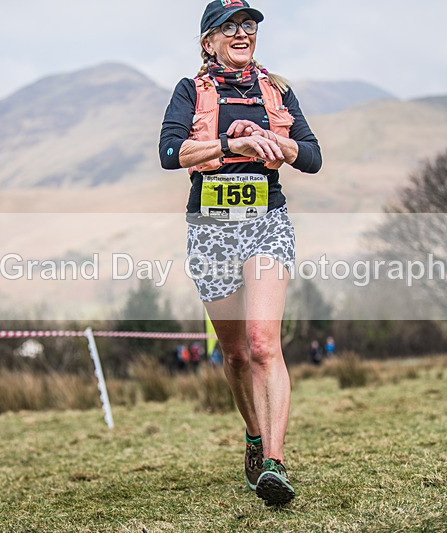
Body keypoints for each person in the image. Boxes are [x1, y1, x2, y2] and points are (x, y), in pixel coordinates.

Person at [159, 0, 321, 506]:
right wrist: (232, 145)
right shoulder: (191, 91)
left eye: (248, 25)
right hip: (210, 228)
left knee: (263, 344)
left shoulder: (278, 91)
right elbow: (169, 153)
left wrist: (272, 141)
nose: (242, 32)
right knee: (233, 353)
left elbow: (312, 156)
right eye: (229, 26)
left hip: (266, 222)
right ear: (207, 41)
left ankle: (274, 461)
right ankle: (253, 434)